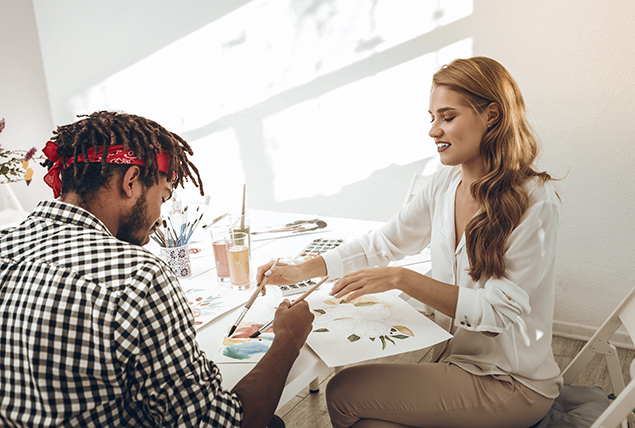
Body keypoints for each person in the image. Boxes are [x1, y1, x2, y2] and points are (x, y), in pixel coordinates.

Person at [257, 57, 562, 428]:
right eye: (431, 118)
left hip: (509, 383)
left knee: (344, 391)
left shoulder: (535, 201)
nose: (434, 130)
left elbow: (497, 313)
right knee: (368, 421)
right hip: (454, 363)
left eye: (447, 117)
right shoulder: (445, 184)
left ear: (492, 115)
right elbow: (385, 240)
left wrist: (401, 278)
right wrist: (302, 269)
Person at [0, 111, 314, 428]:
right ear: (131, 181)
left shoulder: (6, 243)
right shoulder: (138, 274)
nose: (160, 218)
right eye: (162, 197)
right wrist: (288, 340)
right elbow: (224, 423)